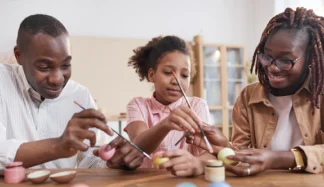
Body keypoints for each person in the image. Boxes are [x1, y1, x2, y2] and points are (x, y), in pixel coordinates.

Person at [189, 7, 324, 176]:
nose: (273, 67)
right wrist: (224, 146)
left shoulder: (321, 95)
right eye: (267, 56)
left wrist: (277, 159)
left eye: (285, 60)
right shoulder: (248, 97)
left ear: (311, 59)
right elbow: (242, 159)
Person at [0, 14, 113, 169]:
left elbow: (92, 161)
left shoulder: (79, 95)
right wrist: (58, 146)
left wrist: (112, 160)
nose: (57, 79)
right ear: (19, 56)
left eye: (65, 65)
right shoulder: (2, 82)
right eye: (44, 67)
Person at [101, 36, 214, 176]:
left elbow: (212, 153)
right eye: (168, 72)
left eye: (185, 75)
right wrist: (165, 124)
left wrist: (197, 163)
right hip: (144, 186)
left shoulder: (197, 106)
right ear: (151, 75)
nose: (176, 80)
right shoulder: (138, 105)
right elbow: (138, 146)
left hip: (186, 184)